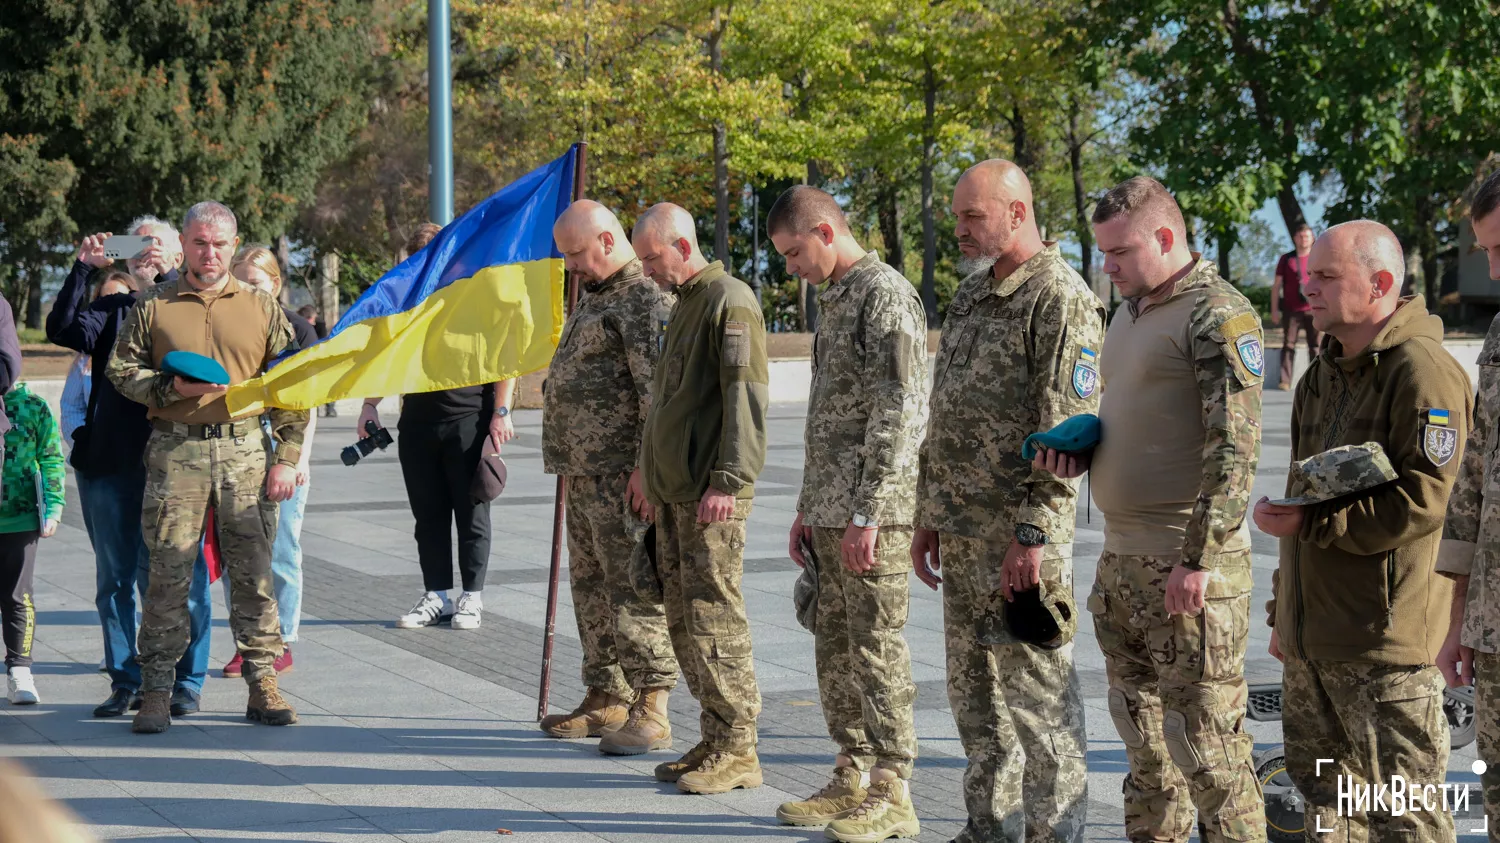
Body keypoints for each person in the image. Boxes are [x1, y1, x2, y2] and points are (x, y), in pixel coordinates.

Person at [1036, 176, 1266, 841]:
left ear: (1166, 238)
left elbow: (1235, 450)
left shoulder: (1218, 315)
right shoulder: (1128, 312)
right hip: (1122, 563)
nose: (1105, 267)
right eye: (1102, 252)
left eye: (1119, 252)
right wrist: (1083, 453)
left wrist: (1198, 559)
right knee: (1145, 748)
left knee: (1208, 751)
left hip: (1186, 571)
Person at [1253, 221, 1469, 839]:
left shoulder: (1422, 372)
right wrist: (1283, 612)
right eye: (1308, 275)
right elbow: (1308, 494)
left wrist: (1312, 523)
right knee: (1328, 809)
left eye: (1324, 276)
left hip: (1383, 648)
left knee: (1404, 817)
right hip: (1313, 642)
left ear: (1378, 284)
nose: (1306, 289)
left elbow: (1428, 501)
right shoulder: (1320, 374)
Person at [913, 161, 1101, 842]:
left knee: (1040, 699)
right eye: (958, 216)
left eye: (973, 216)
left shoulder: (1059, 297)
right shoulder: (970, 296)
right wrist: (929, 512)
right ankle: (987, 824)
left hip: (1019, 539)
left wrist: (1033, 534)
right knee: (974, 696)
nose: (959, 228)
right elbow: (946, 413)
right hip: (961, 530)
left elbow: (1068, 430)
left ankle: (1055, 832)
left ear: (1018, 213)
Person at [107, 200, 308, 733]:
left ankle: (263, 682)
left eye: (220, 244)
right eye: (200, 243)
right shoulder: (155, 304)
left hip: (246, 451)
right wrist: (167, 387)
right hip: (177, 452)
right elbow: (121, 369)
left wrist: (287, 456)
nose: (210, 253)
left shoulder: (263, 309)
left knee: (254, 572)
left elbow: (292, 385)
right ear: (185, 245)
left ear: (233, 244)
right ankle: (156, 689)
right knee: (168, 573)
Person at [770, 186, 927, 842]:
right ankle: (850, 771)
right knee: (833, 644)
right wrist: (810, 507)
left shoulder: (884, 294)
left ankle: (893, 788)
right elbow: (829, 418)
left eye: (795, 251)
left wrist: (868, 512)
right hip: (833, 509)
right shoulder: (837, 297)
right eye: (782, 257)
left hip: (872, 515)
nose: (791, 267)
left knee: (875, 645)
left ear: (827, 231)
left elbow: (901, 407)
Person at [47, 221, 213, 720]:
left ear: (174, 250)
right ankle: (126, 679)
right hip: (109, 467)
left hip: (174, 464)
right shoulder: (112, 309)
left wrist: (164, 279)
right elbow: (61, 330)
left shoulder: (187, 307)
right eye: (136, 244)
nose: (144, 253)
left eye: (154, 244)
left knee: (181, 577)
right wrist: (82, 268)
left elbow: (204, 360)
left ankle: (186, 679)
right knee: (114, 579)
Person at [633, 202, 768, 794]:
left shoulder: (729, 300)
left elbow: (745, 399)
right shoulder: (684, 305)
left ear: (682, 246)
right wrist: (645, 471)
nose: (646, 270)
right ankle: (714, 737)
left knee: (715, 618)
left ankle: (740, 747)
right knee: (686, 622)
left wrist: (729, 480)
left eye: (652, 258)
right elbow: (665, 401)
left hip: (710, 495)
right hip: (675, 493)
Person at [538, 200, 680, 752]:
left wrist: (647, 470)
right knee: (592, 588)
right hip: (585, 474)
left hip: (623, 476)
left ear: (604, 240)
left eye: (576, 253)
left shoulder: (642, 298)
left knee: (633, 588)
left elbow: (657, 395)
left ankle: (653, 706)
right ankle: (605, 694)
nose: (571, 266)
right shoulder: (596, 295)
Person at [360, 223, 517, 631]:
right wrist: (369, 405)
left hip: (470, 421)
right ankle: (436, 596)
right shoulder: (408, 308)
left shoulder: (477, 303)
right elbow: (387, 359)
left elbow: (505, 361)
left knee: (472, 514)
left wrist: (501, 413)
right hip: (418, 424)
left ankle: (472, 598)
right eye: (419, 261)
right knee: (427, 516)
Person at [217, 246, 318, 678]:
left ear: (275, 284)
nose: (247, 291)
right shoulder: (226, 325)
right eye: (239, 282)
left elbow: (308, 402)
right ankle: (248, 641)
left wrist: (295, 461)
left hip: (282, 454)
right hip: (233, 455)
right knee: (236, 554)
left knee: (280, 552)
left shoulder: (297, 331)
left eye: (255, 283)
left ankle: (283, 641)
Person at [1440, 169, 1500, 834]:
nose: (1490, 267)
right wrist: (1458, 617)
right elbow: (1473, 479)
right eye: (1485, 249)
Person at [1, 381, 65, 705]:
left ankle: (20, 671)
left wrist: (53, 508)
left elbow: (51, 457)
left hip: (20, 519)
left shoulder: (33, 406)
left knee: (17, 596)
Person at [59, 272, 133, 455]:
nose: (113, 307)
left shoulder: (146, 350)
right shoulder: (85, 359)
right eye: (105, 299)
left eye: (121, 299)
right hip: (94, 459)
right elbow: (71, 406)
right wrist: (81, 441)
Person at [1271, 222, 1319, 389]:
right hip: (1291, 310)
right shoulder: (1287, 259)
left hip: (1315, 309)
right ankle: (1285, 380)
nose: (1303, 239)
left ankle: (1317, 379)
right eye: (1300, 236)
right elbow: (1277, 285)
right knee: (1288, 344)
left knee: (1316, 346)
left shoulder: (1318, 256)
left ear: (1312, 238)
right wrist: (1274, 309)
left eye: (1306, 236)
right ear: (1294, 238)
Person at [299, 305, 336, 418]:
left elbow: (321, 341)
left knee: (326, 381)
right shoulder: (299, 325)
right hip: (305, 357)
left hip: (318, 355)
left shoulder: (319, 325)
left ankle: (330, 407)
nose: (314, 322)